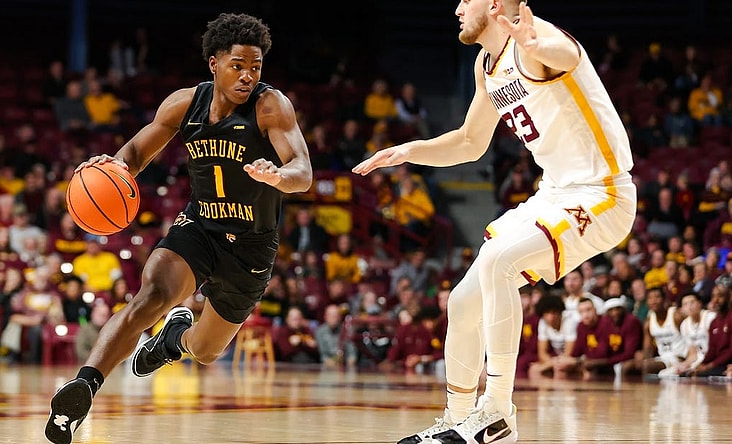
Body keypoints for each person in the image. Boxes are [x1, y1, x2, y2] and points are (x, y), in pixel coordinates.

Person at [352, 2, 636, 443]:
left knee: (499, 262)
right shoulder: (487, 64)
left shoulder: (535, 40)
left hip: (603, 192)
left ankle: (498, 411)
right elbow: (469, 142)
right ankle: (457, 418)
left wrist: (538, 43)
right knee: (464, 302)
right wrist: (409, 151)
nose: (458, 8)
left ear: (496, 4)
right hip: (554, 193)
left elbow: (564, 55)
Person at [44, 13, 312, 444]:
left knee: (206, 351)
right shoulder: (185, 103)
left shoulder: (270, 106)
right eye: (237, 65)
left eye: (255, 67)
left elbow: (303, 170)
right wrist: (110, 166)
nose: (248, 76)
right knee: (150, 296)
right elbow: (134, 153)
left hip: (251, 246)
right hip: (200, 226)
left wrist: (280, 176)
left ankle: (174, 340)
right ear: (214, 64)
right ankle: (86, 385)